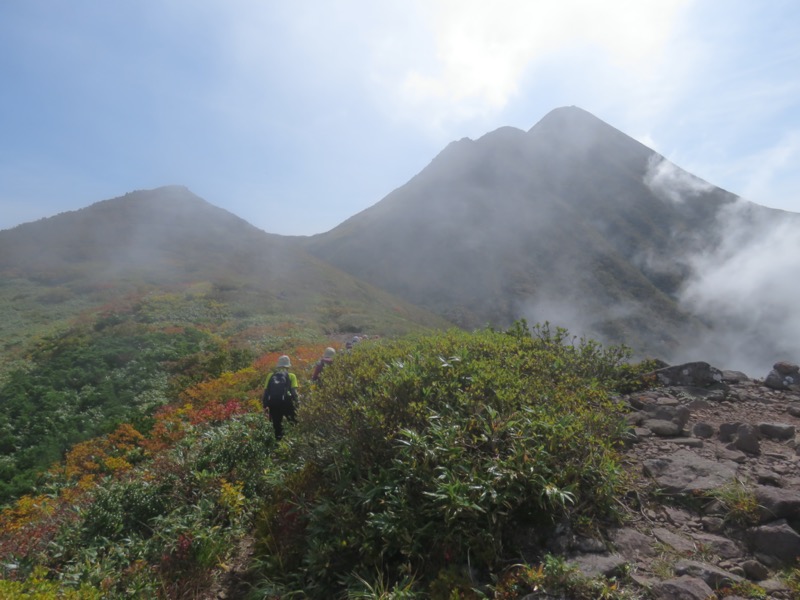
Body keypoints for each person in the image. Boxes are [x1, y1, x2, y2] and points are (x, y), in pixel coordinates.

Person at [261, 355, 298, 440]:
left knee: (277, 426)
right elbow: (294, 393)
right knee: (294, 423)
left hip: (273, 404)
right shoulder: (292, 376)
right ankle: (294, 442)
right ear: (288, 366)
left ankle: (278, 444)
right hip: (287, 404)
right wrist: (297, 403)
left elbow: (266, 392)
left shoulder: (270, 376)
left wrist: (265, 404)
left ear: (278, 365)